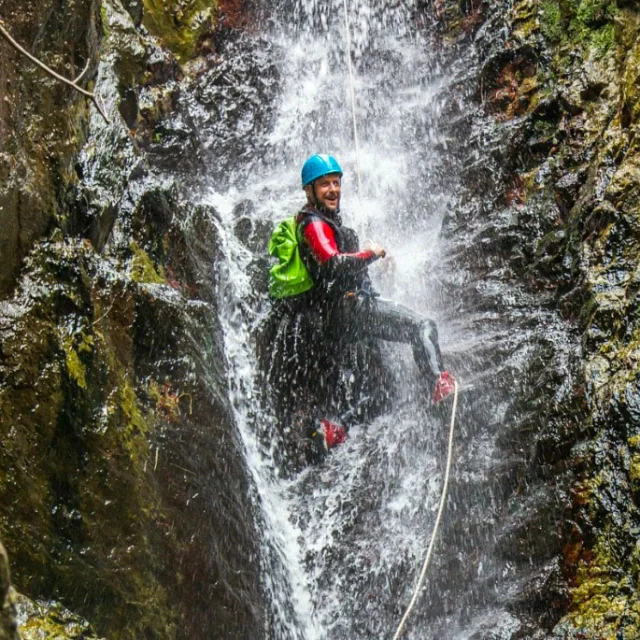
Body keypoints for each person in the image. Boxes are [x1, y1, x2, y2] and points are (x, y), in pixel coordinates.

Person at [264, 153, 456, 463]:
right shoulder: (313, 222)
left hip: (334, 319)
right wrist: (370, 253)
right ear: (309, 191)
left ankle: (331, 429)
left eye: (336, 183)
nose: (333, 190)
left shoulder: (326, 223)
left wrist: (374, 263)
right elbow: (334, 263)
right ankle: (440, 383)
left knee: (378, 391)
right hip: (349, 312)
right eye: (324, 184)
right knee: (422, 326)